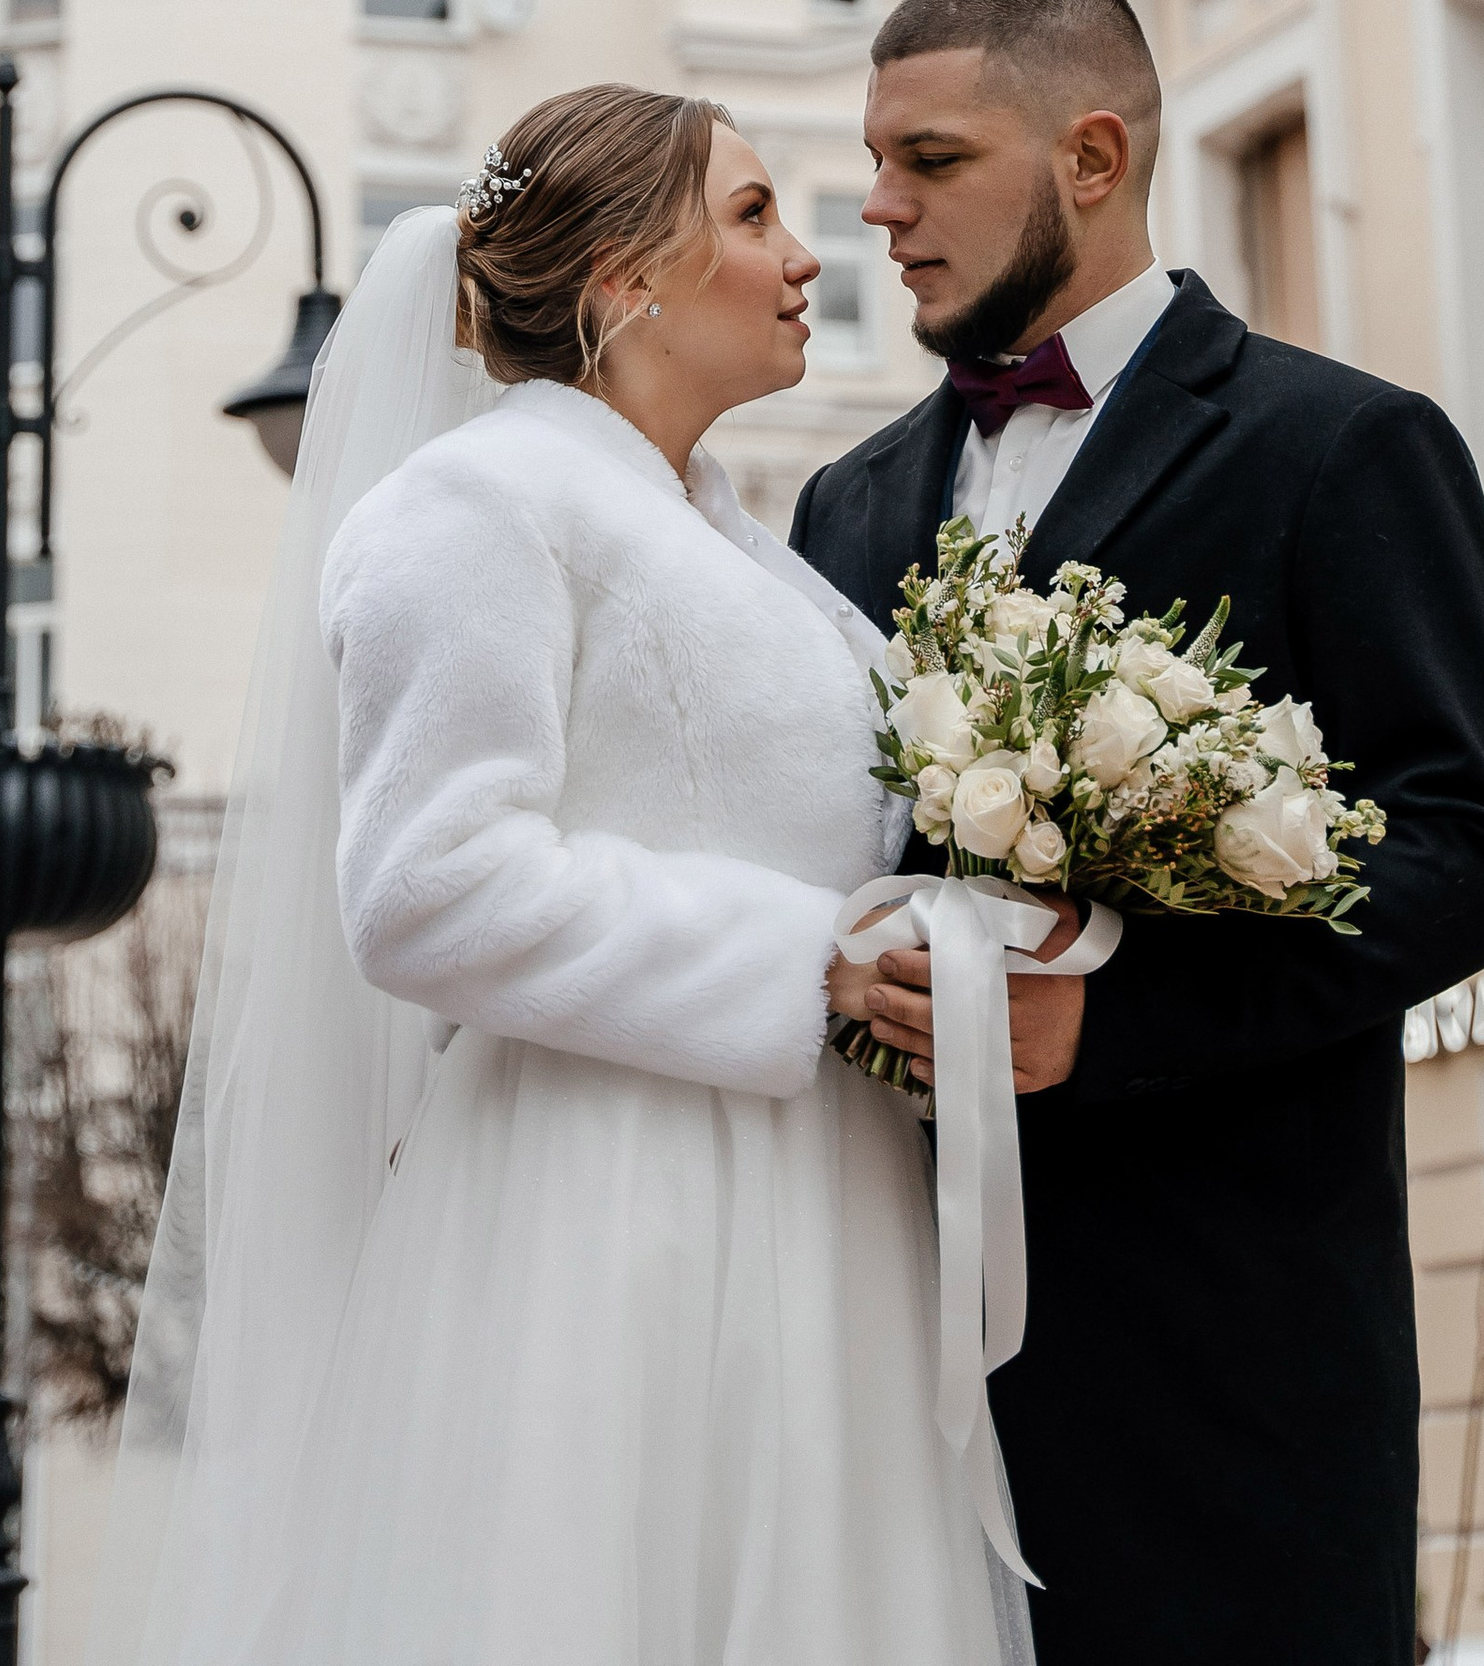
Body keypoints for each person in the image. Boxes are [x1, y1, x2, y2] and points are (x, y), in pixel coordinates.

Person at [88, 83, 1028, 1666]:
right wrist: (803, 962)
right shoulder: (469, 510)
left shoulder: (754, 553)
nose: (808, 256)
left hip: (824, 1202)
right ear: (622, 280)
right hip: (614, 1212)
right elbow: (427, 885)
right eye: (750, 214)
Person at [790, 0, 1484, 1666]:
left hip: (1231, 1372)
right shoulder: (843, 505)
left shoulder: (1342, 447)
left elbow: (1469, 852)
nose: (879, 206)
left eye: (931, 160)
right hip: (886, 1363)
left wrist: (1108, 1025)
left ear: (1093, 158)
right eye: (875, 161)